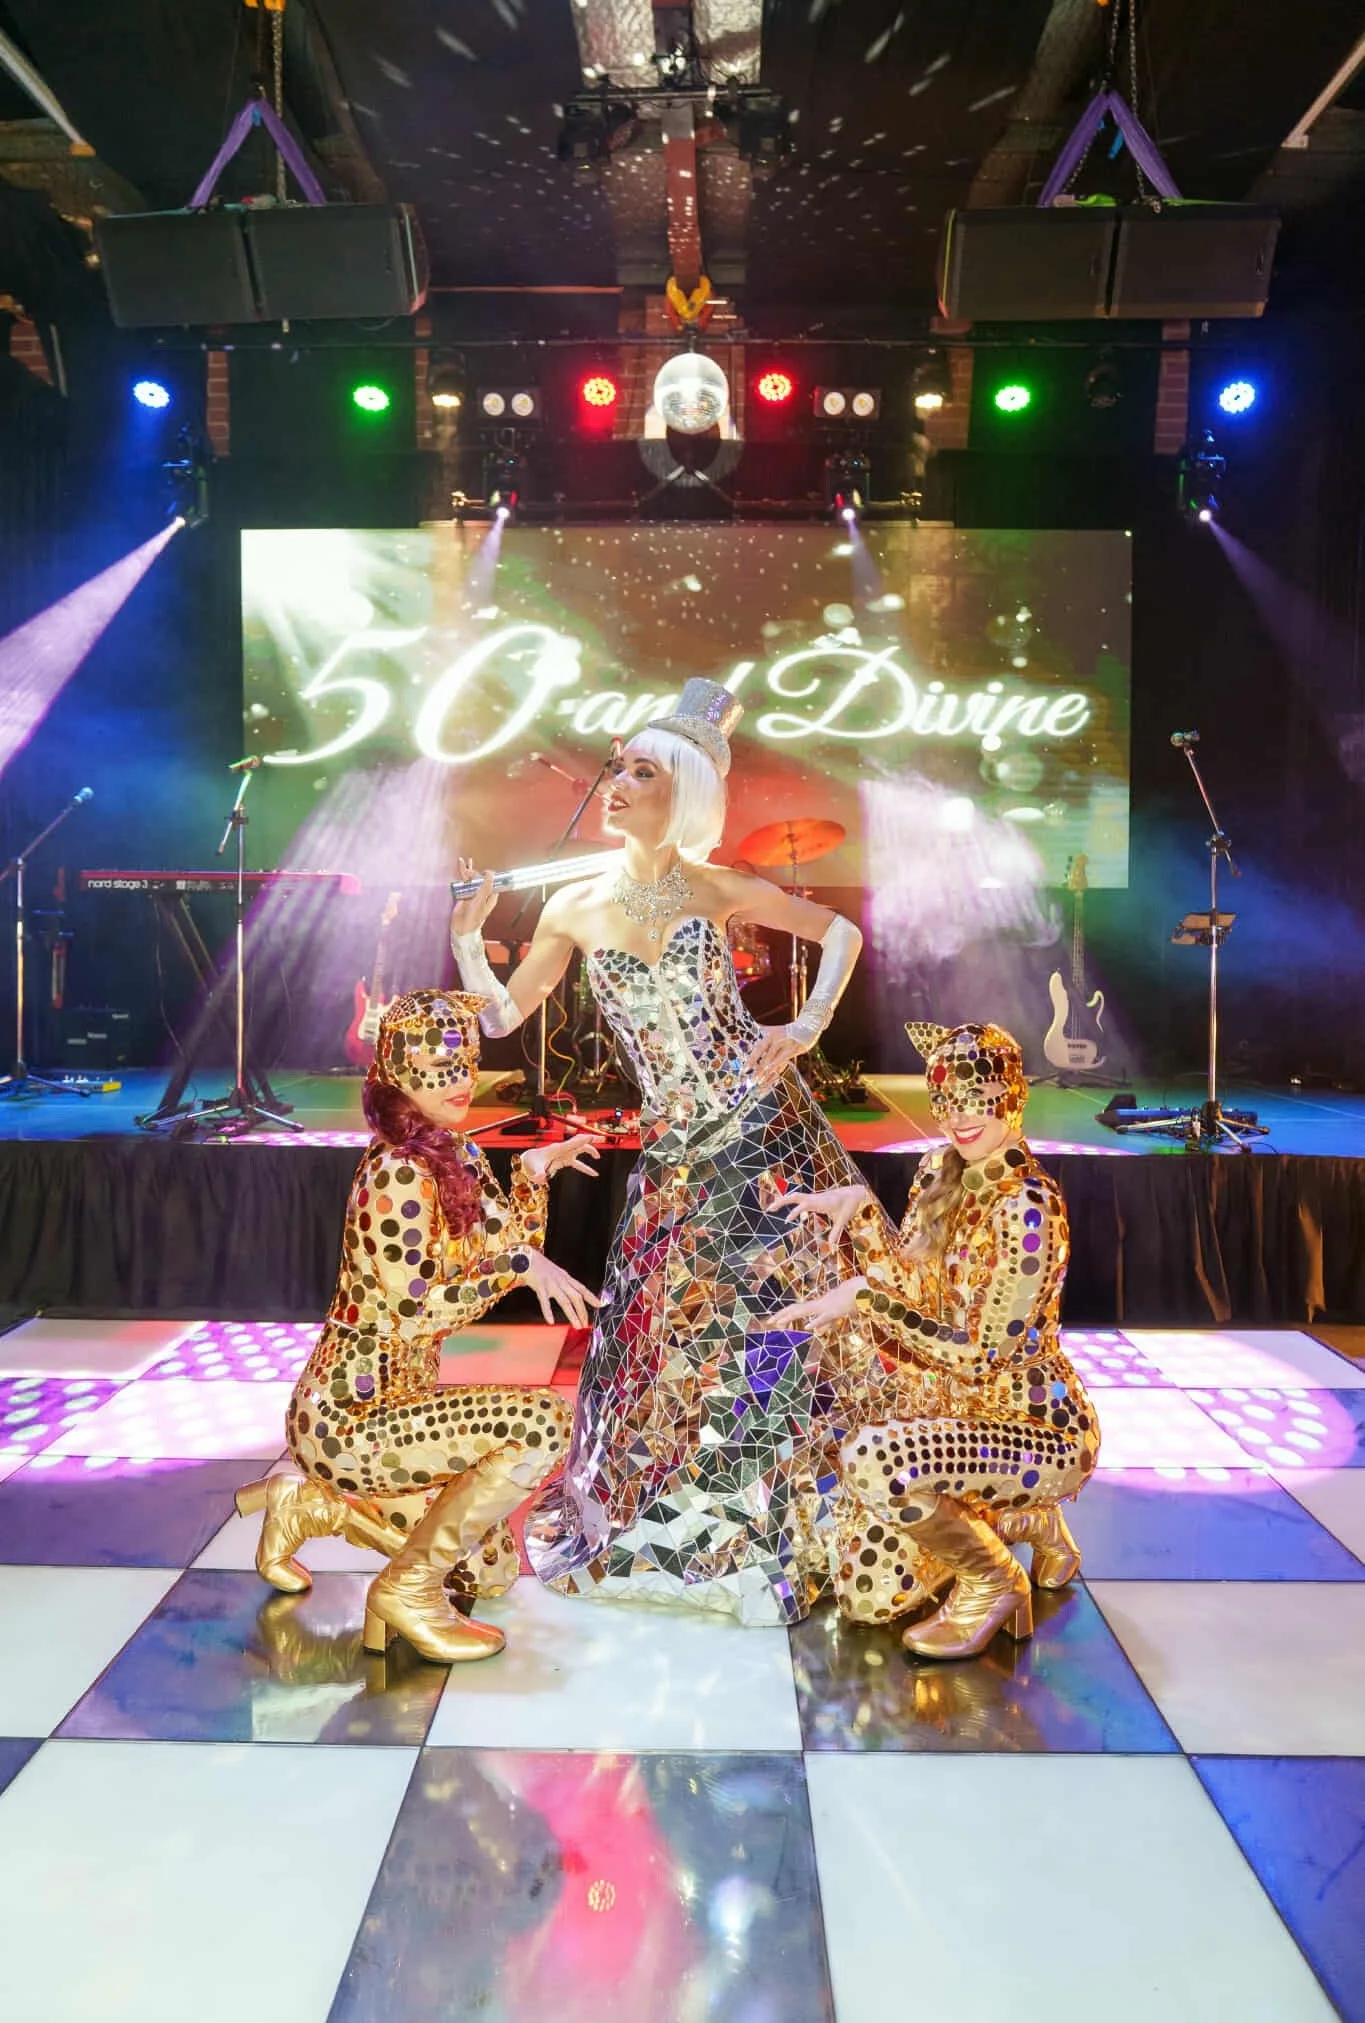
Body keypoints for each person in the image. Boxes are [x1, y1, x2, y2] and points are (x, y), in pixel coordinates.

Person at [448, 677, 891, 1625]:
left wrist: (806, 1025)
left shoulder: (718, 888)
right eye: (617, 767)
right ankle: (683, 1520)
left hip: (765, 1131)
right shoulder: (570, 905)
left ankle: (774, 1523)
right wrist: (467, 942)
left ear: (679, 791)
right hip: (677, 1150)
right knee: (666, 1334)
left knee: (771, 1323)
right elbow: (498, 1016)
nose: (615, 783)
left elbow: (842, 931)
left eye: (638, 771)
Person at [234, 988, 600, 1664]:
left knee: (486, 1571)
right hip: (350, 1416)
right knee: (541, 1424)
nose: (459, 1079)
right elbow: (415, 1311)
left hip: (404, 1406)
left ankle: (308, 1506)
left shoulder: (451, 1151)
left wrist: (532, 1173)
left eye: (465, 1061)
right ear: (397, 1073)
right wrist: (518, 1265)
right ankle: (406, 1589)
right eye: (437, 1064)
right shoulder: (399, 1169)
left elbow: (507, 1246)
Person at [773, 1020, 1100, 1659]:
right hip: (954, 1419)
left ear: (1010, 1097)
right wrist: (862, 1213)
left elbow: (980, 1356)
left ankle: (992, 1580)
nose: (961, 1118)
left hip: (1035, 1429)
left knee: (875, 1460)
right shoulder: (935, 1169)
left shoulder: (1028, 1207)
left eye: (978, 1100)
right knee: (868, 1597)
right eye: (947, 1102)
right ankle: (1020, 1521)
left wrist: (864, 1299)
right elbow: (919, 1292)